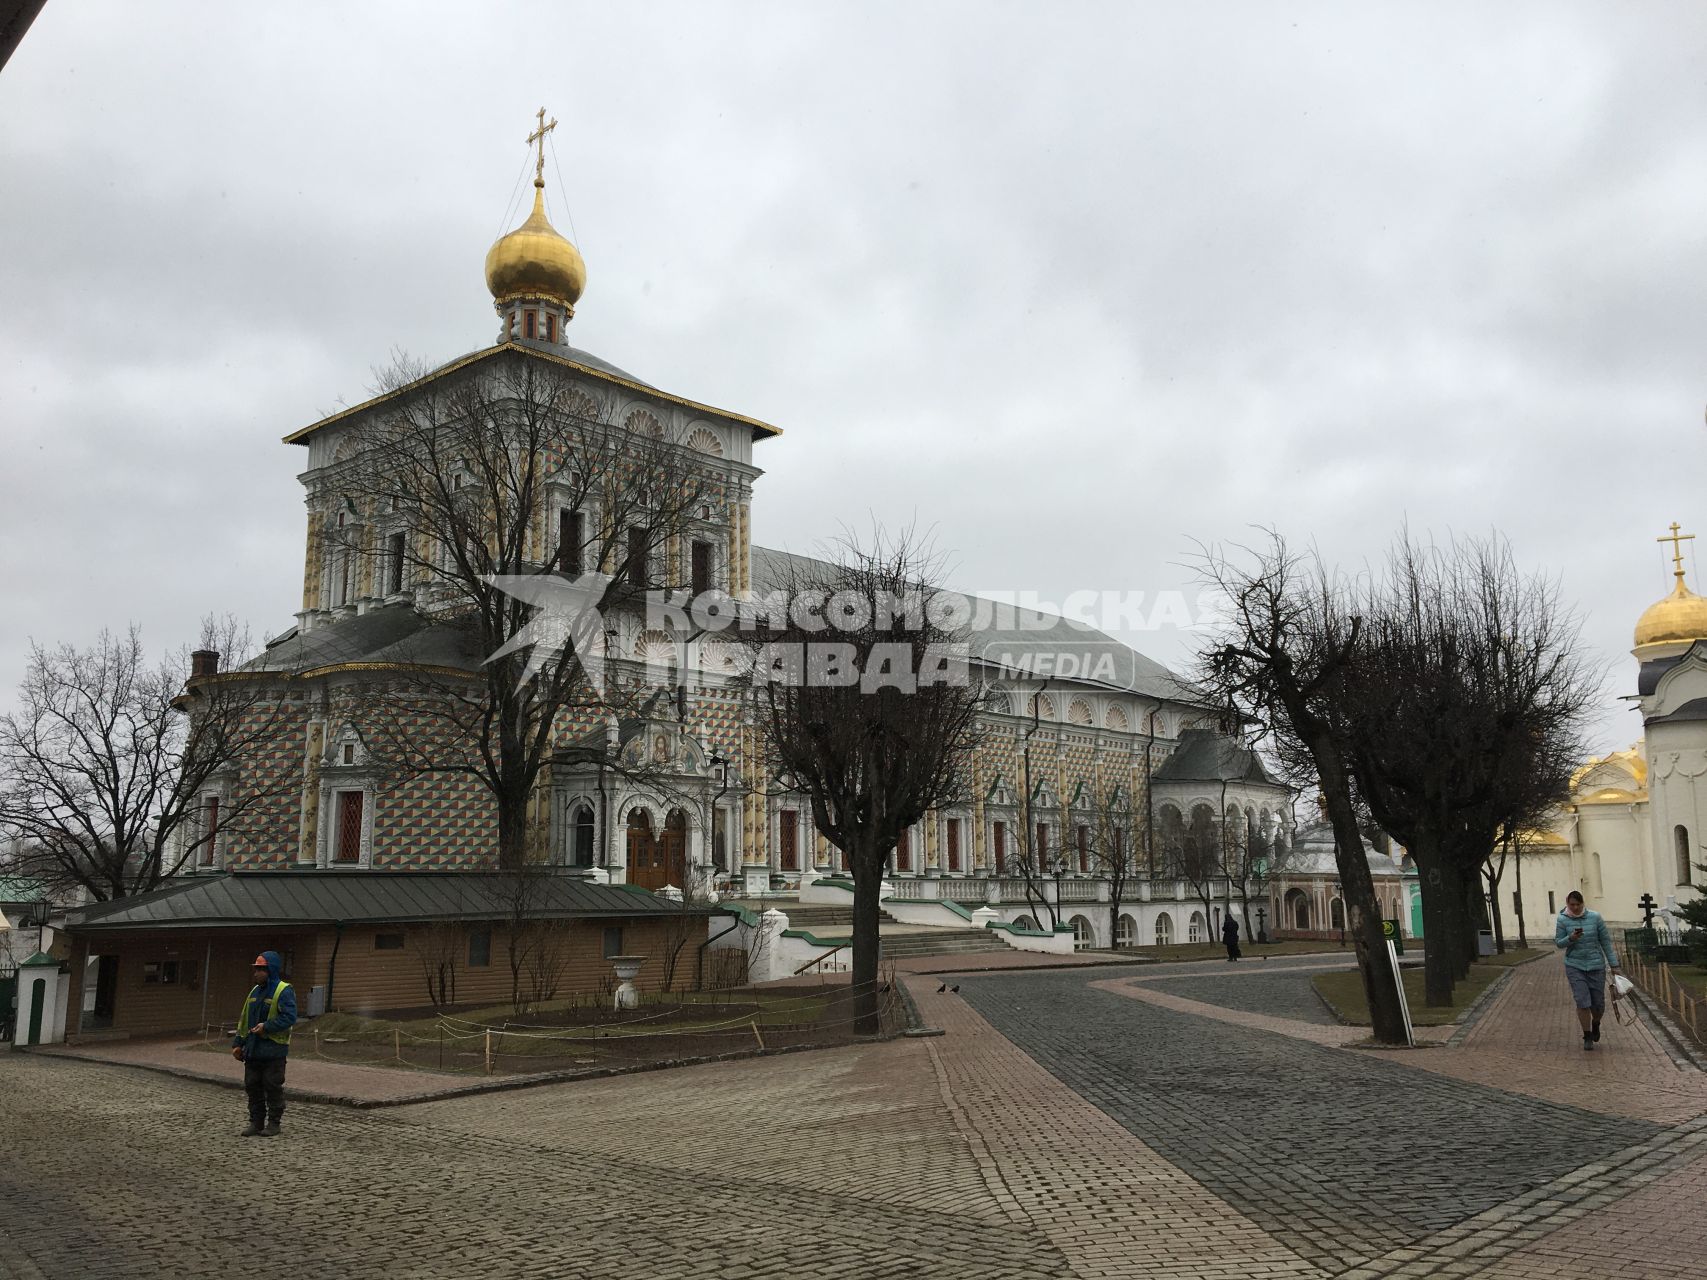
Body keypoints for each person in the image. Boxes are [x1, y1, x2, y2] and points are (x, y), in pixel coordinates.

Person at [231, 950, 296, 1136]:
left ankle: (274, 1123)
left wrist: (266, 1027)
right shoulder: (253, 992)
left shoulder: (284, 990)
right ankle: (256, 1122)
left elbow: (289, 1017)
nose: (256, 973)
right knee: (252, 1087)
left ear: (271, 970)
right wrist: (237, 1043)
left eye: (261, 969)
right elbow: (244, 1021)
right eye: (256, 969)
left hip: (274, 1051)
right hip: (253, 1050)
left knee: (272, 1086)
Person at [1554, 891, 1620, 1051]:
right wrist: (1570, 938)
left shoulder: (1595, 917)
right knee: (1582, 1001)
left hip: (1596, 965)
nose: (1575, 907)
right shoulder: (1562, 920)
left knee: (1598, 1004)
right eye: (1572, 905)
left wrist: (1614, 965)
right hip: (1575, 965)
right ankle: (1587, 1035)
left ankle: (1596, 1023)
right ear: (1567, 904)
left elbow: (1605, 942)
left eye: (1578, 904)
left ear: (1583, 903)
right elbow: (1558, 943)